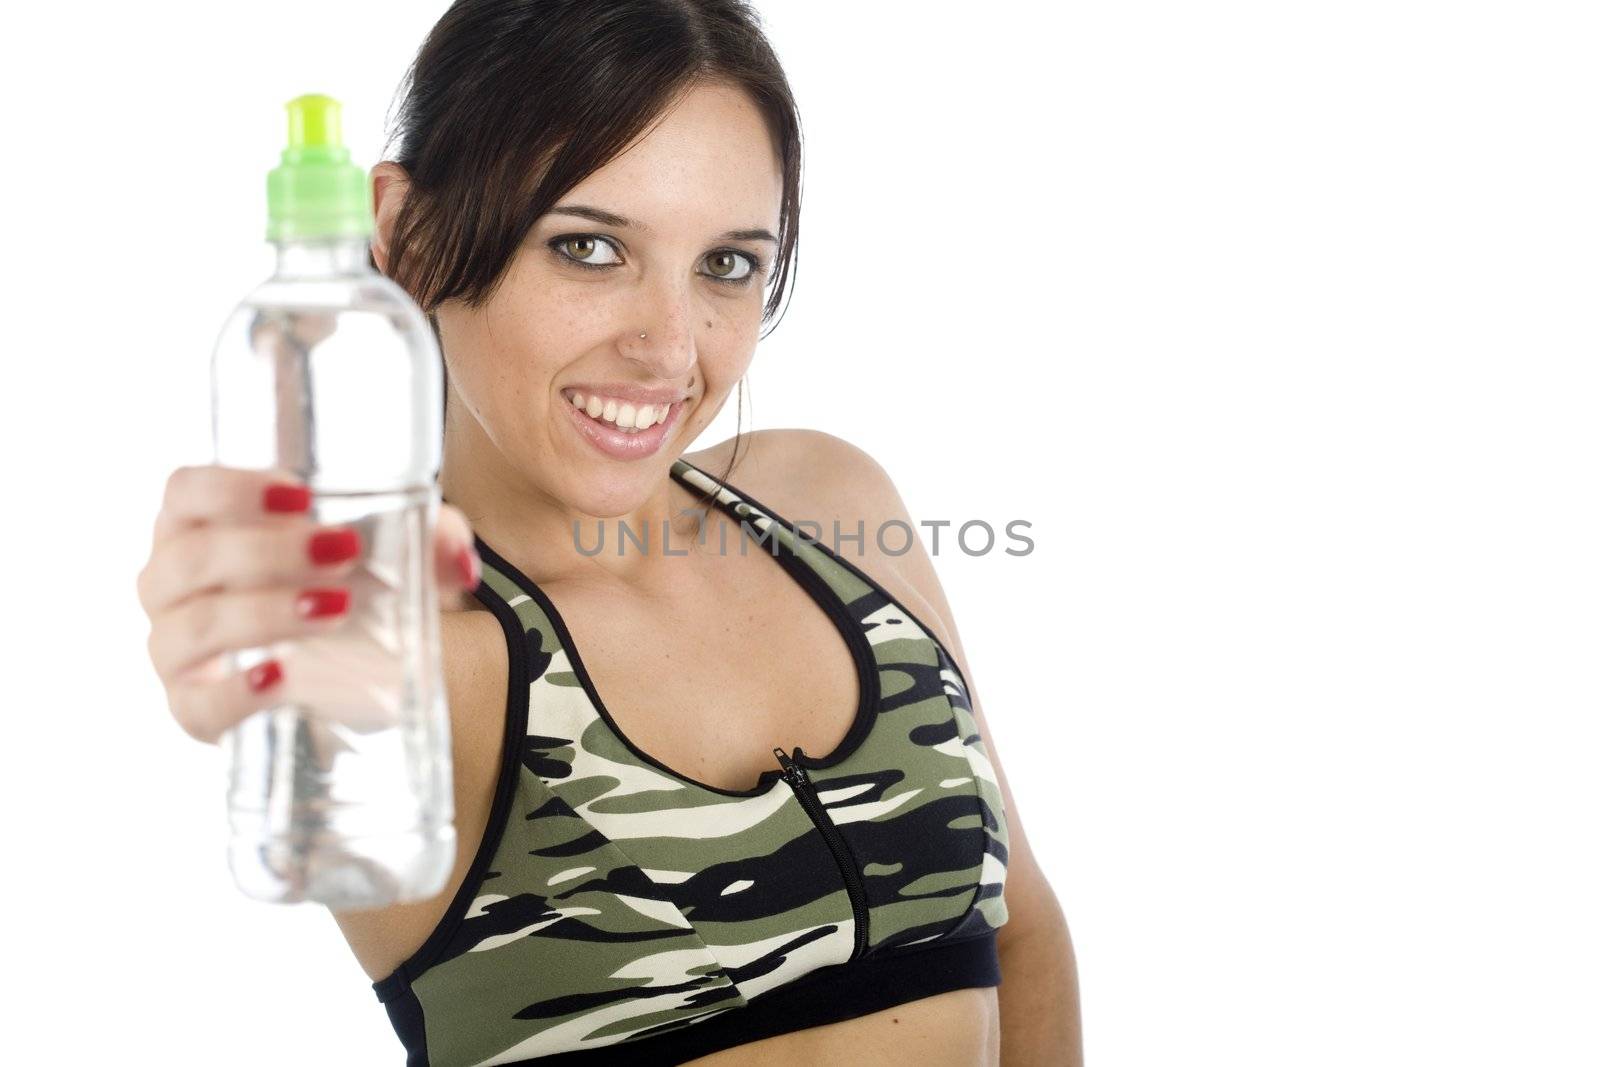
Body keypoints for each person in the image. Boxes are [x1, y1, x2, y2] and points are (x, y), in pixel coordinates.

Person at [136, 1, 1081, 1062]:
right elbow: (284, 674)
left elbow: (1023, 926)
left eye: (725, 264)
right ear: (401, 233)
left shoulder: (829, 502)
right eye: (588, 247)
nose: (670, 349)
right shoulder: (432, 646)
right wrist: (236, 632)